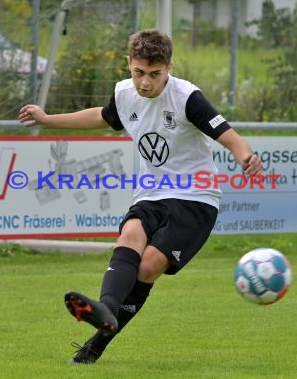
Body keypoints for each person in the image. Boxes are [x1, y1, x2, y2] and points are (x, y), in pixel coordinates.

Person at [18, 28, 263, 364]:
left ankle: (98, 341)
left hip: (196, 196)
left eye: (154, 74)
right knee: (130, 234)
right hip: (152, 191)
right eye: (138, 73)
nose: (145, 82)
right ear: (128, 63)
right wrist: (47, 119)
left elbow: (229, 136)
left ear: (169, 68)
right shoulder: (124, 93)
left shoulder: (187, 98)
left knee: (147, 266)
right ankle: (105, 311)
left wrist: (246, 156)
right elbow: (102, 117)